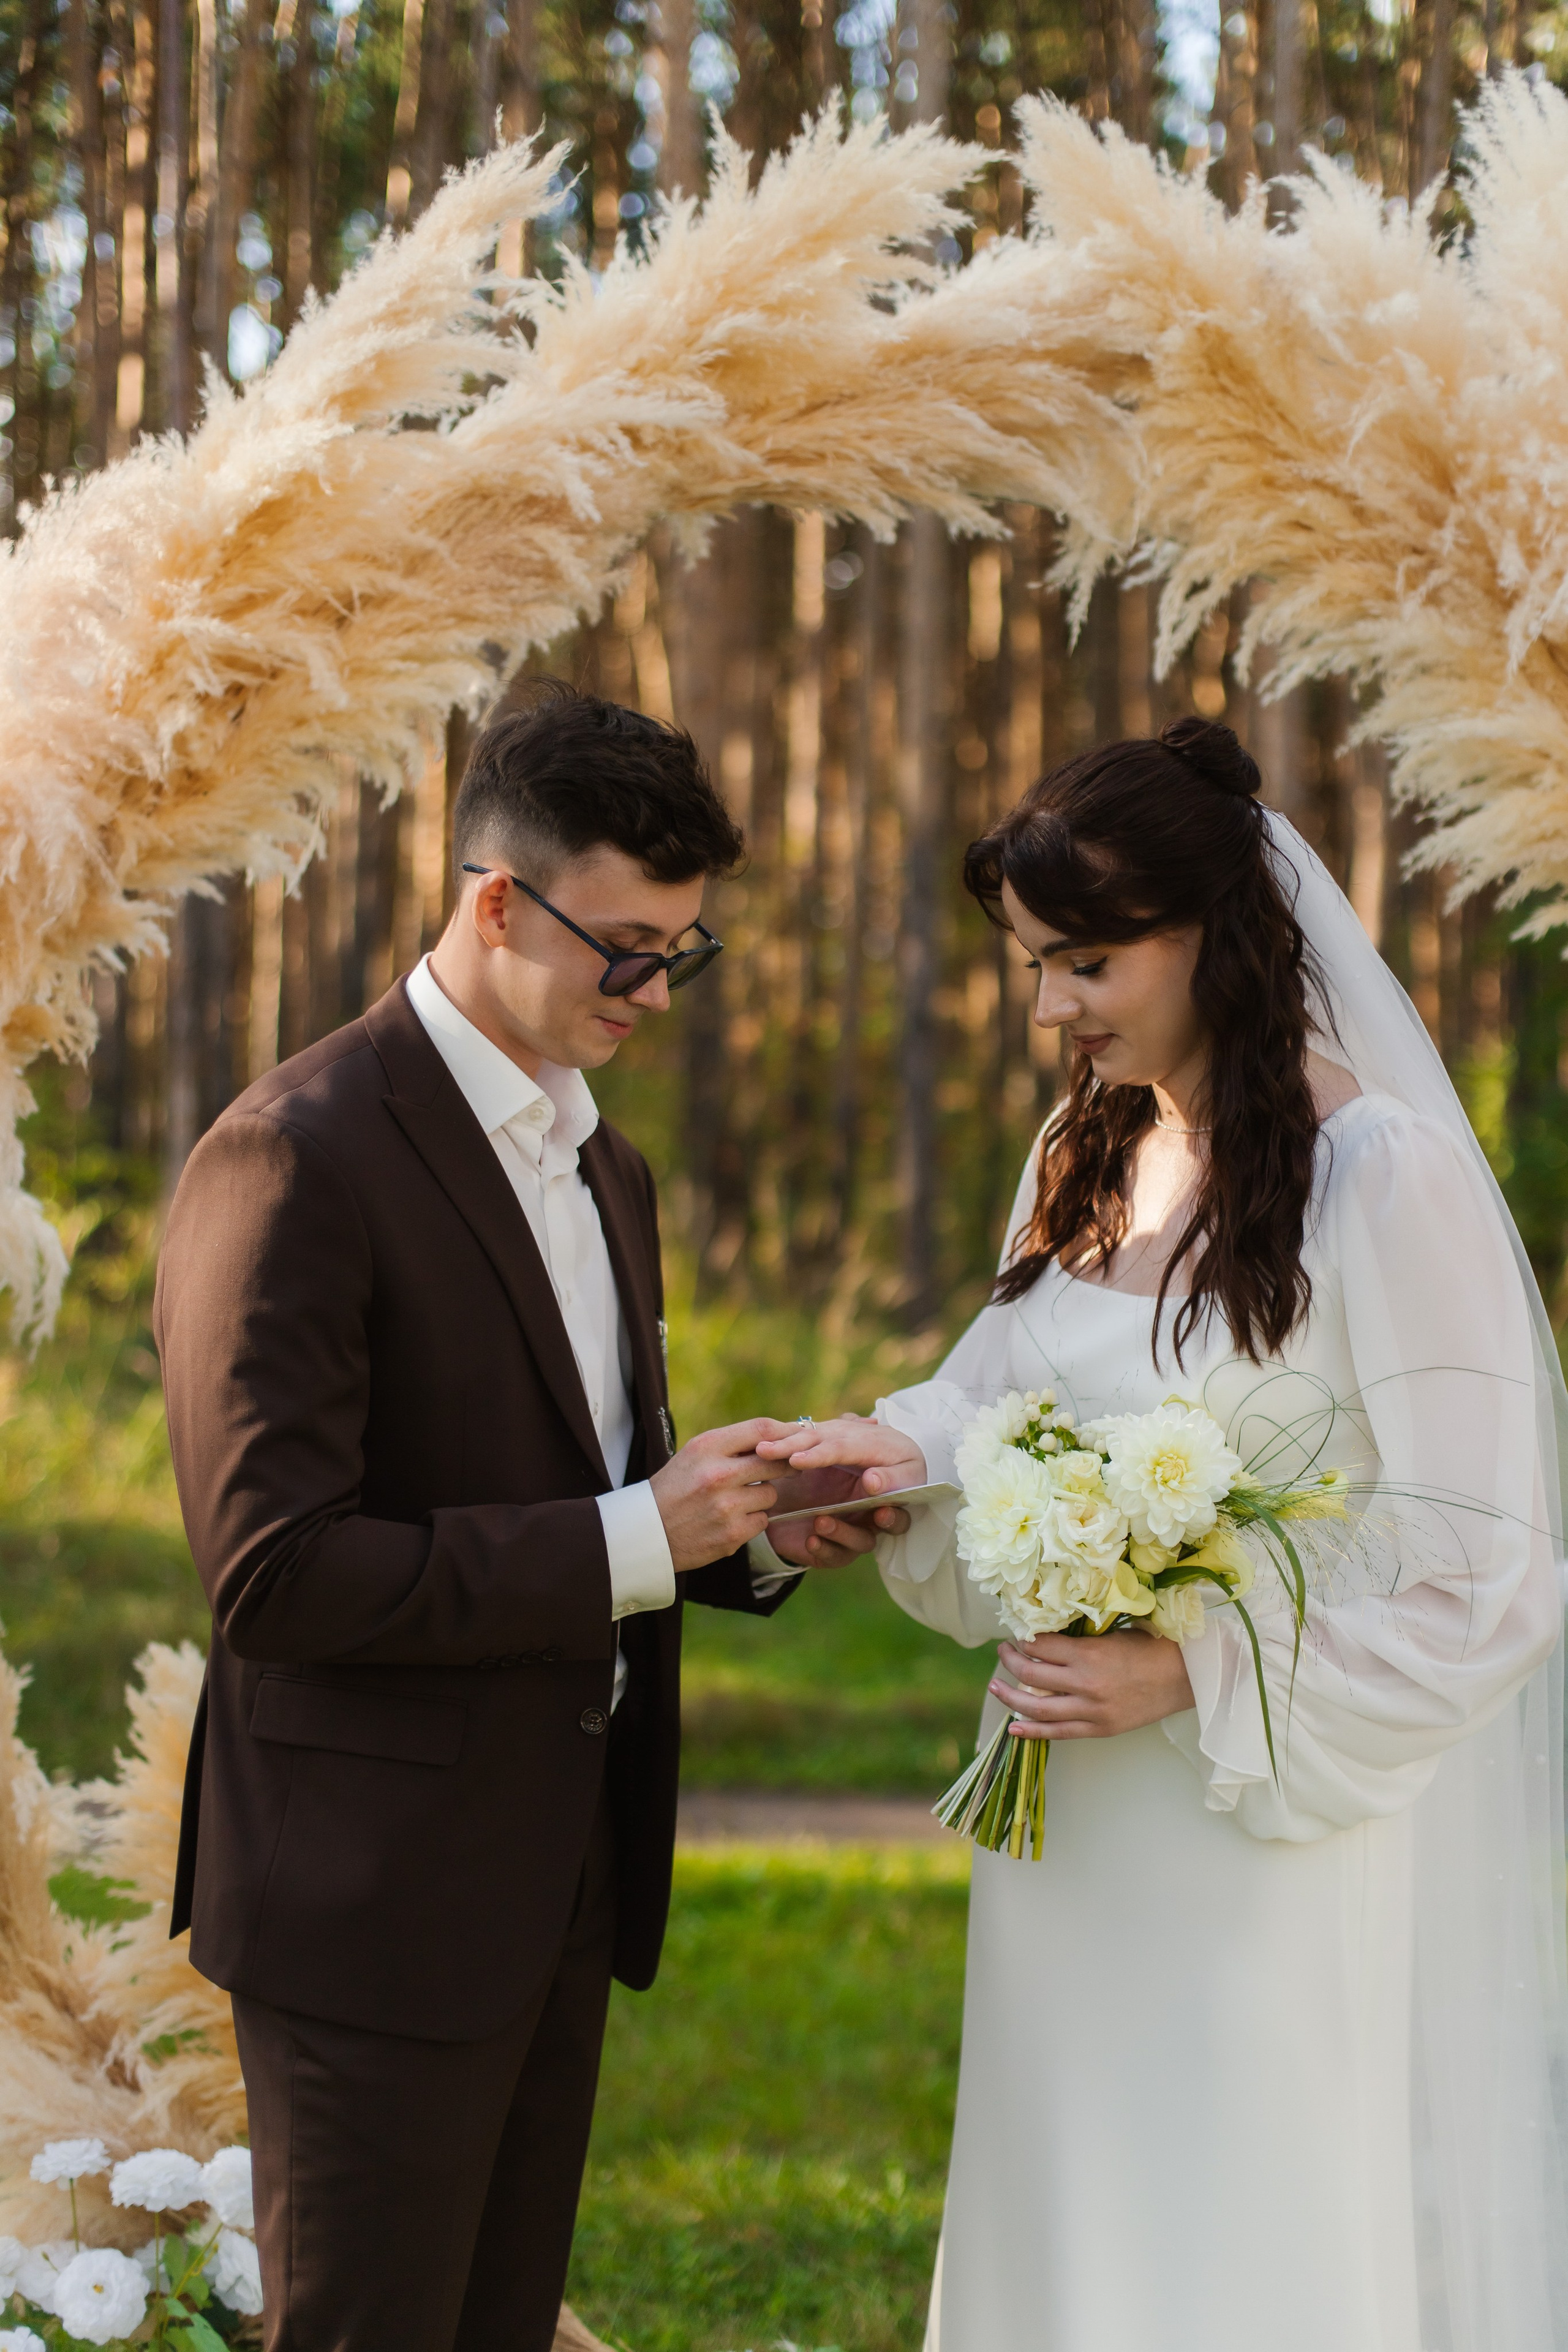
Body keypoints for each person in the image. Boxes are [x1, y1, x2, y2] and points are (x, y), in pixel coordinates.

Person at [761, 717, 1568, 2352]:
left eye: (1088, 964)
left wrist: (1196, 1670)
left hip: (1258, 1815)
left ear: (1224, 939)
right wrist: (884, 1454)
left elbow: (1486, 1566)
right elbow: (998, 1389)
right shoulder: (1089, 1146)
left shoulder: (1382, 1179)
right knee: (1069, 2194)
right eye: (1035, 966)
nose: (1053, 1008)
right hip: (1063, 1811)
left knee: (1240, 2212)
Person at [154, 684, 899, 2352]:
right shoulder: (291, 1157)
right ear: (497, 901)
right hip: (372, 1904)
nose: (654, 992)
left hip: (558, 1870)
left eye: (680, 955)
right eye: (627, 949)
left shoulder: (602, 1167)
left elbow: (582, 1483)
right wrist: (646, 1532)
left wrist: (757, 1528)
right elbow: (277, 1573)